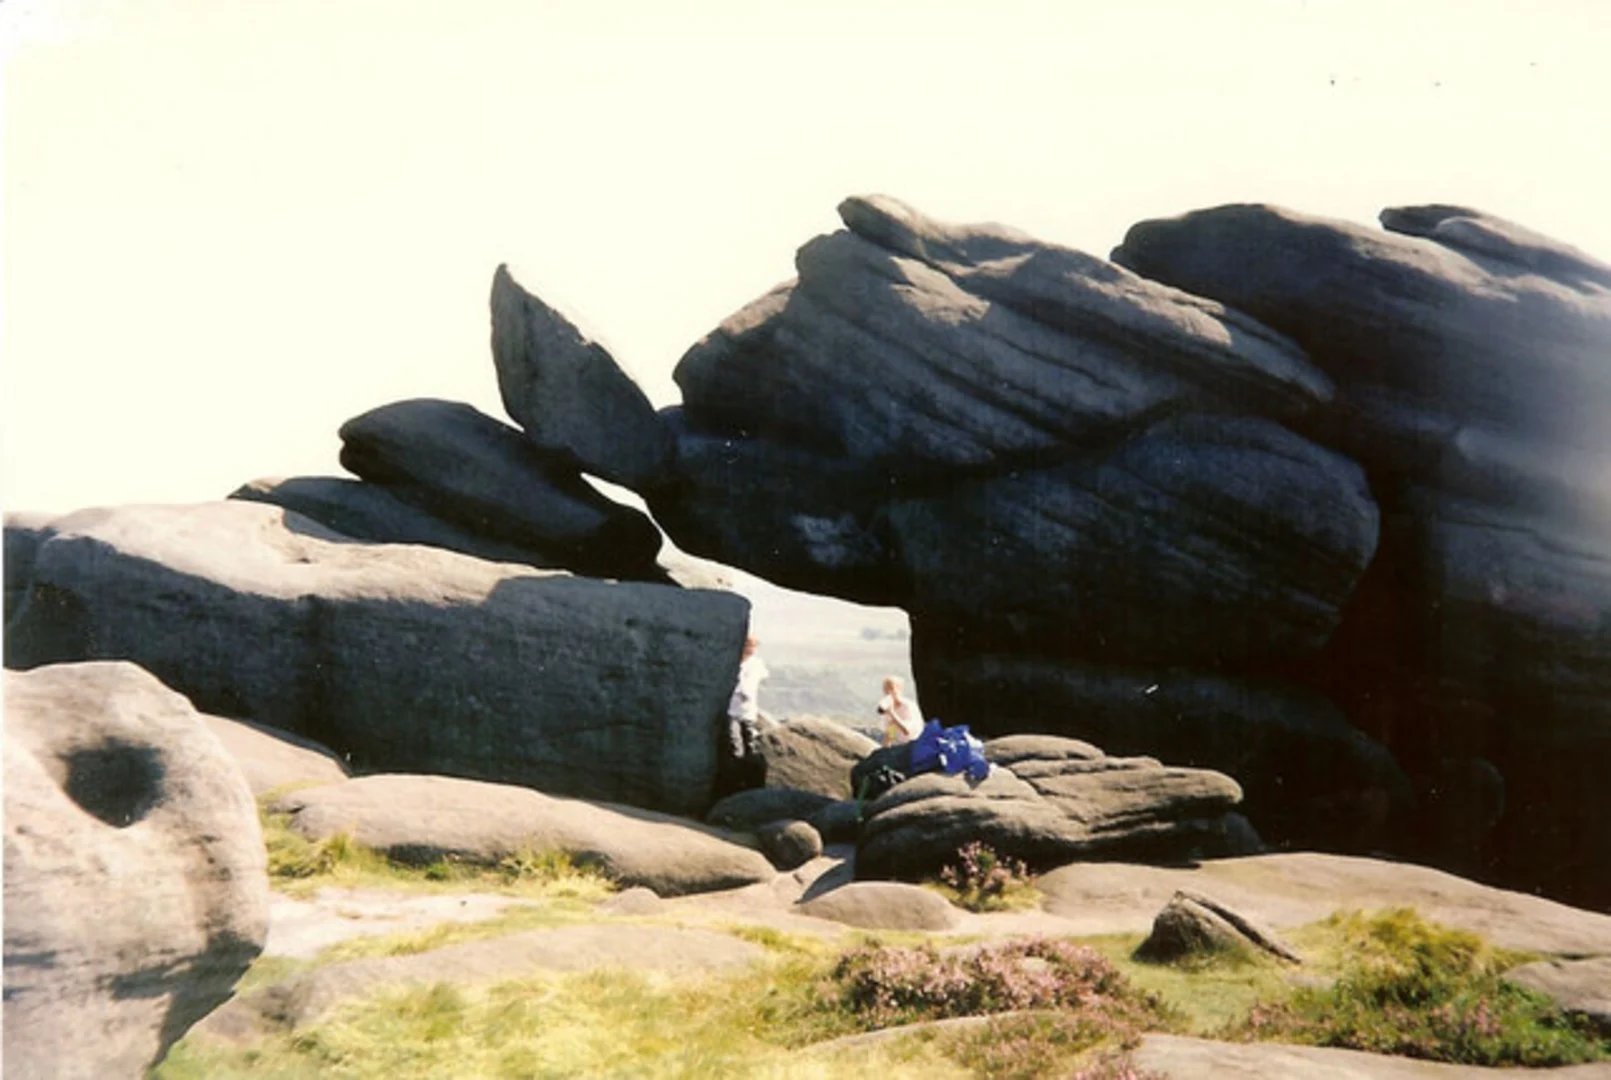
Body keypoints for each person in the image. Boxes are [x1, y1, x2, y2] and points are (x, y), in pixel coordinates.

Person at [726, 636, 769, 762]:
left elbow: (763, 677)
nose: (750, 649)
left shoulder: (757, 664)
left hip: (748, 712)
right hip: (732, 710)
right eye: (748, 645)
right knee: (734, 744)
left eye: (752, 646)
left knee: (751, 744)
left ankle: (749, 774)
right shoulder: (732, 663)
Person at [877, 675, 923, 746]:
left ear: (899, 689)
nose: (888, 692)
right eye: (885, 689)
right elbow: (891, 729)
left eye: (891, 689)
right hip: (898, 744)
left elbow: (907, 731)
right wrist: (885, 747)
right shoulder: (888, 707)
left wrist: (892, 713)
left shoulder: (908, 706)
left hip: (912, 744)